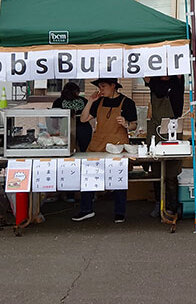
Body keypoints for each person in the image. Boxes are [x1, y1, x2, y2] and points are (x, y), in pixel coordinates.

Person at [72, 78, 137, 223]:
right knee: (88, 175)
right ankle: (86, 209)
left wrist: (126, 124)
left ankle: (120, 212)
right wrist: (89, 101)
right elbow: (83, 119)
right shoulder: (98, 102)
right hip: (97, 144)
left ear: (113, 86)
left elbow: (134, 125)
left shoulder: (127, 103)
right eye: (99, 87)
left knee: (119, 178)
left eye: (103, 86)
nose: (101, 89)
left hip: (118, 146)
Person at [144, 75, 185, 217]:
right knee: (156, 171)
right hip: (155, 128)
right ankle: (158, 204)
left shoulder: (177, 81)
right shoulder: (152, 81)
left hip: (173, 128)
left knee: (172, 172)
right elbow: (146, 75)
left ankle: (173, 206)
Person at [52, 81, 92, 152]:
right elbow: (91, 116)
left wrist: (56, 131)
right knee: (84, 152)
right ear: (76, 92)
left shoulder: (58, 101)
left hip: (65, 130)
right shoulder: (84, 100)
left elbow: (54, 122)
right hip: (84, 129)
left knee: (65, 150)